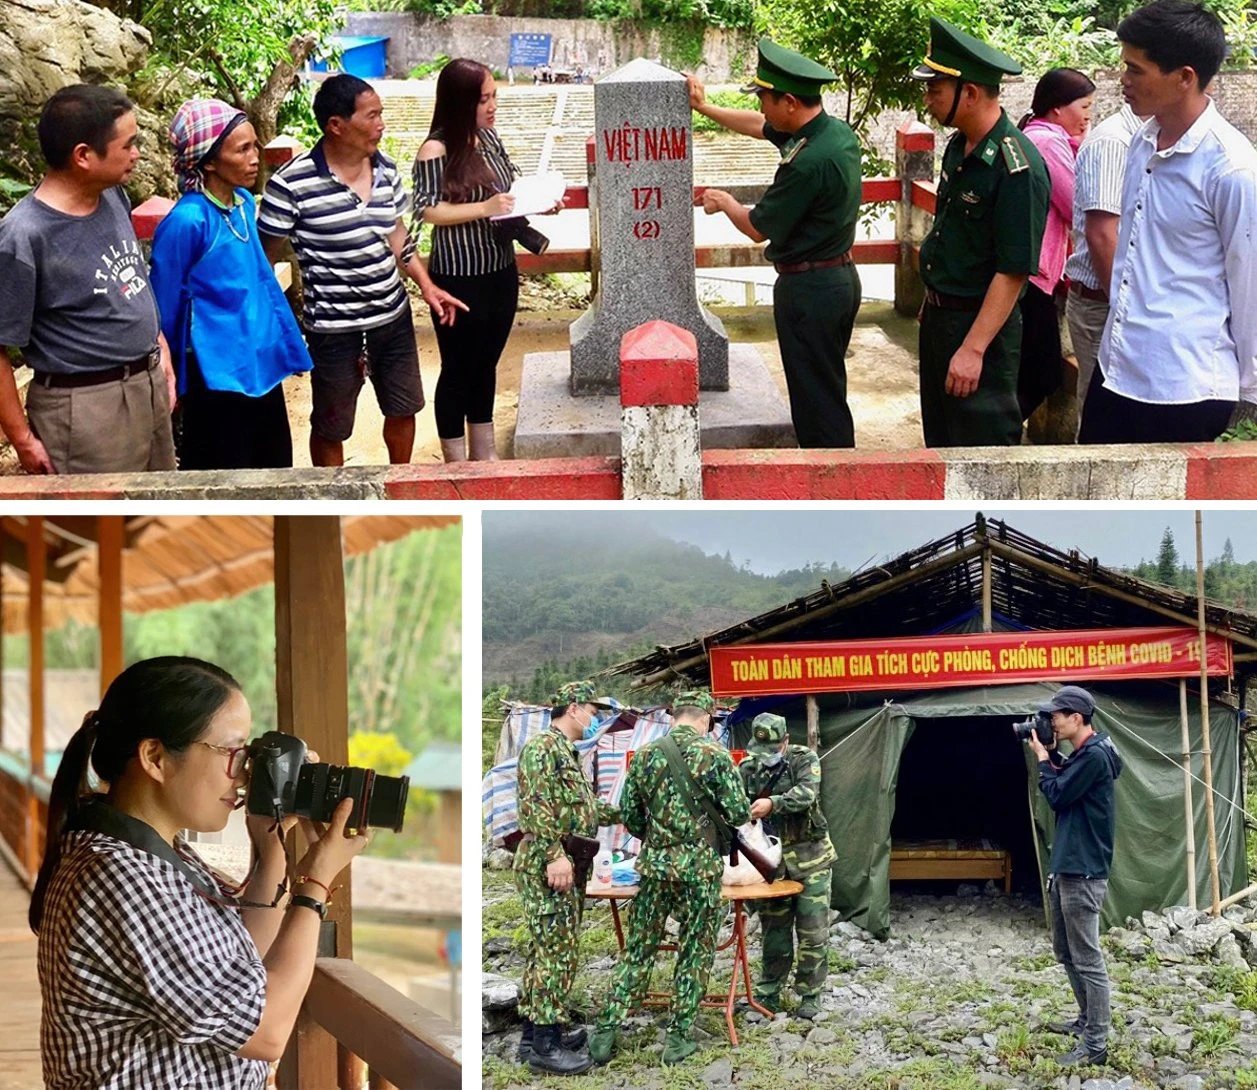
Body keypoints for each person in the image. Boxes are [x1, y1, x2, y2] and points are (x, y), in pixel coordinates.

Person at [29, 656, 368, 1088]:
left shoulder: (152, 854)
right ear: (155, 757)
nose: (246, 774)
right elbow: (265, 1031)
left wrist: (272, 849)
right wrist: (315, 882)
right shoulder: (120, 876)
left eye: (251, 755)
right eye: (234, 752)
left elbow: (249, 963)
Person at [259, 74, 465, 468]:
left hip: (392, 317)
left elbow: (397, 234)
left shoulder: (386, 170)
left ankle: (398, 483)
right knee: (332, 426)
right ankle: (334, 500)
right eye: (371, 116)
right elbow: (264, 260)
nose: (381, 124)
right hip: (333, 332)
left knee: (404, 408)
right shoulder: (290, 185)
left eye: (381, 114)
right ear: (336, 125)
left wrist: (426, 285)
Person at [1078, 0, 1257, 444]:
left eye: (1136, 69)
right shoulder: (1141, 141)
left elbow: (1250, 282)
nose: (1123, 80)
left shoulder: (1232, 169)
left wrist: (1250, 396)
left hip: (1184, 386)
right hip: (1117, 366)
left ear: (1184, 77)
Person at [689, 39, 862, 448]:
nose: (761, 107)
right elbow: (756, 125)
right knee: (826, 388)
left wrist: (724, 201)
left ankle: (831, 482)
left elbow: (756, 226)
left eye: (765, 98)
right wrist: (704, 107)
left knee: (816, 402)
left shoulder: (807, 163)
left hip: (810, 291)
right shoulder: (832, 134)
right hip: (837, 278)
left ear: (788, 102)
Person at [0, 84, 177, 475]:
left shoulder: (113, 196)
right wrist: (22, 439)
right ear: (83, 155)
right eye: (128, 145)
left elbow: (130, 281)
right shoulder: (24, 235)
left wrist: (158, 346)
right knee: (100, 527)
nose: (137, 155)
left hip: (145, 385)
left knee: (158, 516)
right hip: (84, 408)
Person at [589, 690, 751, 1067]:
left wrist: (660, 841)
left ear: (673, 715)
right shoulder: (715, 756)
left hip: (656, 870)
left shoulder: (645, 754)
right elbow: (739, 812)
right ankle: (677, 1038)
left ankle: (605, 1032)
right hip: (699, 872)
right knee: (694, 951)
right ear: (707, 718)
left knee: (639, 949)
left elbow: (630, 815)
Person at [910, 18, 1050, 447]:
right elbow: (952, 233)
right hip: (940, 317)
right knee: (940, 441)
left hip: (979, 328)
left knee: (980, 446)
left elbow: (1012, 272)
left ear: (969, 93)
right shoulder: (959, 144)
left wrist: (973, 350)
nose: (927, 99)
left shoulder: (1016, 166)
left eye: (935, 89)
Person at [150, 99, 311, 470]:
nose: (255, 157)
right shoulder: (187, 221)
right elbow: (166, 303)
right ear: (208, 161)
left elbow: (259, 280)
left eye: (255, 146)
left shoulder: (241, 202)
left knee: (273, 467)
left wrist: (284, 340)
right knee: (226, 473)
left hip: (260, 362)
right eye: (242, 149)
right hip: (217, 373)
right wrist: (173, 375)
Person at [412, 58, 551, 463]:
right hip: (458, 274)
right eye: (483, 99)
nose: (493, 106)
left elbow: (510, 187)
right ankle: (455, 461)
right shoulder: (435, 149)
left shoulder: (488, 138)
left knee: (487, 360)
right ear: (459, 103)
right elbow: (426, 210)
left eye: (493, 96)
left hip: (498, 268)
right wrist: (484, 207)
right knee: (459, 367)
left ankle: (484, 453)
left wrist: (540, 202)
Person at [513, 679, 621, 1075]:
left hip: (564, 864)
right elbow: (535, 805)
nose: (595, 720)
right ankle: (545, 1046)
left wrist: (626, 811)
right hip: (550, 864)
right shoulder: (543, 747)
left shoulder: (565, 752)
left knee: (548, 949)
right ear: (573, 708)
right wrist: (555, 855)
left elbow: (582, 809)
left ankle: (536, 1036)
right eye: (593, 712)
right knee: (555, 953)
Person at [1024, 684, 1123, 1066]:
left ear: (1076, 718)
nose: (1050, 722)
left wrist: (1043, 760)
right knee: (1065, 951)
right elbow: (1067, 786)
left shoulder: (1095, 756)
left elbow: (1058, 795)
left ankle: (1096, 1043)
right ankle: (1086, 1020)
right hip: (1069, 865)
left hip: (1083, 871)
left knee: (1087, 957)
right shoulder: (1085, 754)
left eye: (1055, 716)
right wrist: (1053, 756)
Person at [737, 712, 836, 1020]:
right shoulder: (747, 768)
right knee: (774, 932)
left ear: (786, 741)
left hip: (812, 860)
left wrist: (773, 804)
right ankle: (769, 990)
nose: (764, 758)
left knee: (813, 931)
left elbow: (807, 794)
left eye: (772, 750)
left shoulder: (804, 759)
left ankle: (810, 993)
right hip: (771, 866)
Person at [1016, 68, 1095, 422]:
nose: (1089, 115)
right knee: (1042, 372)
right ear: (1058, 109)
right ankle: (997, 434)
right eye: (1085, 106)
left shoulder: (1036, 135)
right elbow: (1075, 203)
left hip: (1033, 271)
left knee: (1030, 369)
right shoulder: (1048, 143)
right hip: (1034, 274)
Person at [1063, 102, 1145, 436]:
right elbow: (1102, 235)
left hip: (1122, 304)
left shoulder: (1148, 139)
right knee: (1104, 414)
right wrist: (1124, 308)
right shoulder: (1114, 142)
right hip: (1104, 304)